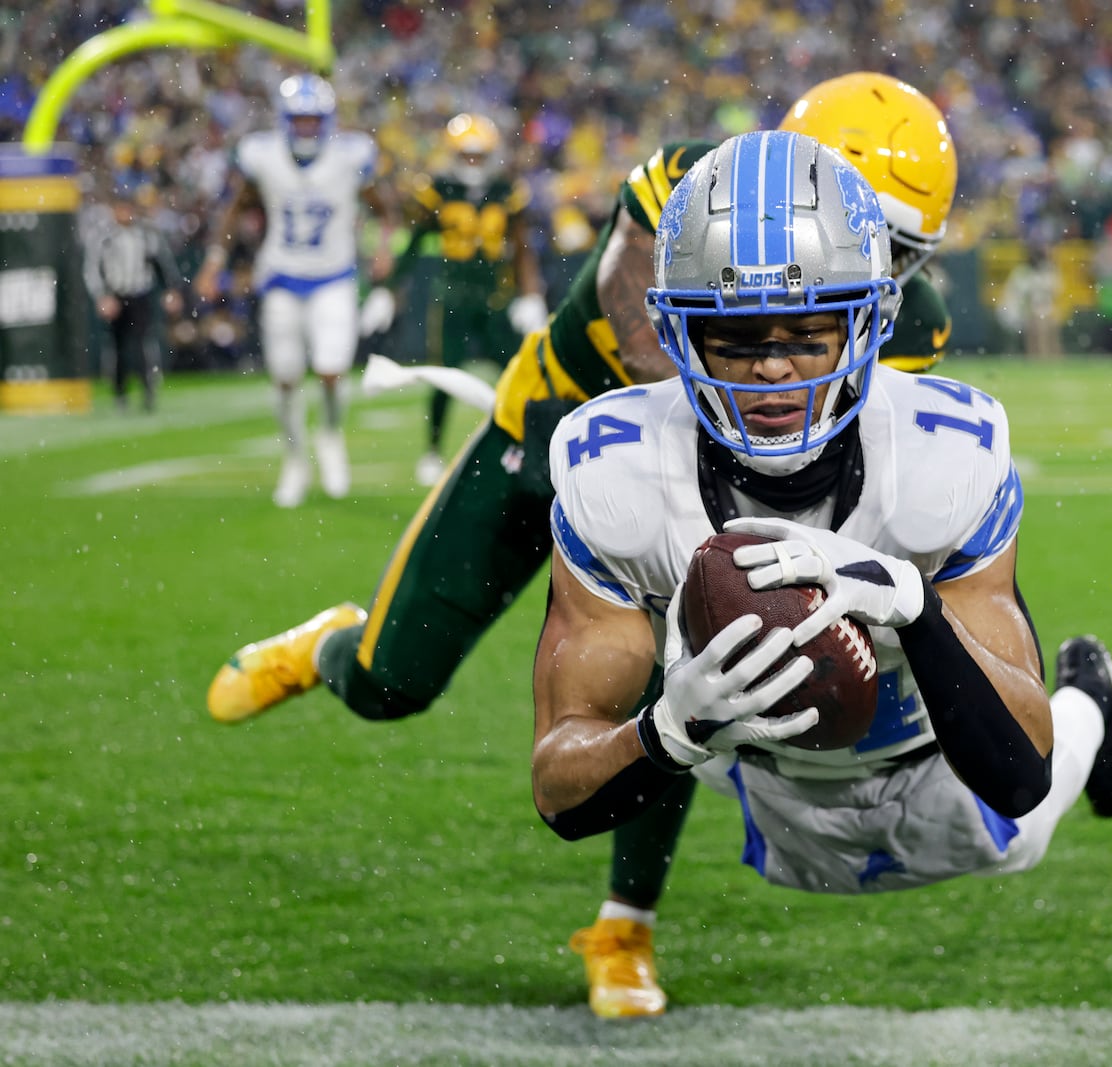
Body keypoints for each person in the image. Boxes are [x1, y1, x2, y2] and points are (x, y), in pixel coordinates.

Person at [206, 73, 960, 1020]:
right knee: (391, 684)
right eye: (870, 232)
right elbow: (640, 318)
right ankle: (329, 648)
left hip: (691, 496)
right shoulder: (692, 189)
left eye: (899, 250)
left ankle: (624, 926)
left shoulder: (908, 318)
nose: (876, 266)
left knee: (681, 695)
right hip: (540, 447)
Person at [531, 130, 1112, 1011]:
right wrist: (667, 730)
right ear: (679, 333)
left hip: (924, 742)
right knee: (786, 830)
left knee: (1016, 836)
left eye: (811, 330)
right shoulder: (617, 473)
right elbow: (560, 787)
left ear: (871, 319)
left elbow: (1020, 768)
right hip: (760, 760)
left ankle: (1095, 700)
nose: (773, 366)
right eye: (736, 336)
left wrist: (914, 605)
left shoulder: (939, 458)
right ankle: (632, 904)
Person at [194, 73, 396, 507]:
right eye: (298, 120)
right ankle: (294, 459)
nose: (305, 128)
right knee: (285, 378)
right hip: (282, 276)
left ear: (326, 121)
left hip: (334, 276)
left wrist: (382, 246)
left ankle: (330, 435)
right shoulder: (262, 156)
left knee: (330, 368)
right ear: (286, 120)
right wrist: (215, 261)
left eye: (312, 120)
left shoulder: (349, 157)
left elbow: (384, 207)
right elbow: (236, 209)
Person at [365, 112, 549, 486]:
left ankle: (526, 444)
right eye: (466, 156)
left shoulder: (506, 192)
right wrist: (387, 290)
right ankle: (432, 451)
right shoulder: (438, 190)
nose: (472, 164)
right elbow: (415, 245)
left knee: (519, 374)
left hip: (496, 298)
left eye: (478, 156)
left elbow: (522, 245)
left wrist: (531, 294)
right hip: (452, 297)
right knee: (445, 375)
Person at [83, 177, 183, 413]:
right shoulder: (104, 237)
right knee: (117, 348)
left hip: (140, 294)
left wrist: (170, 290)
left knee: (142, 345)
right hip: (116, 296)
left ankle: (148, 391)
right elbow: (93, 269)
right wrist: (102, 296)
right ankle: (120, 393)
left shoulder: (146, 234)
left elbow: (162, 264)